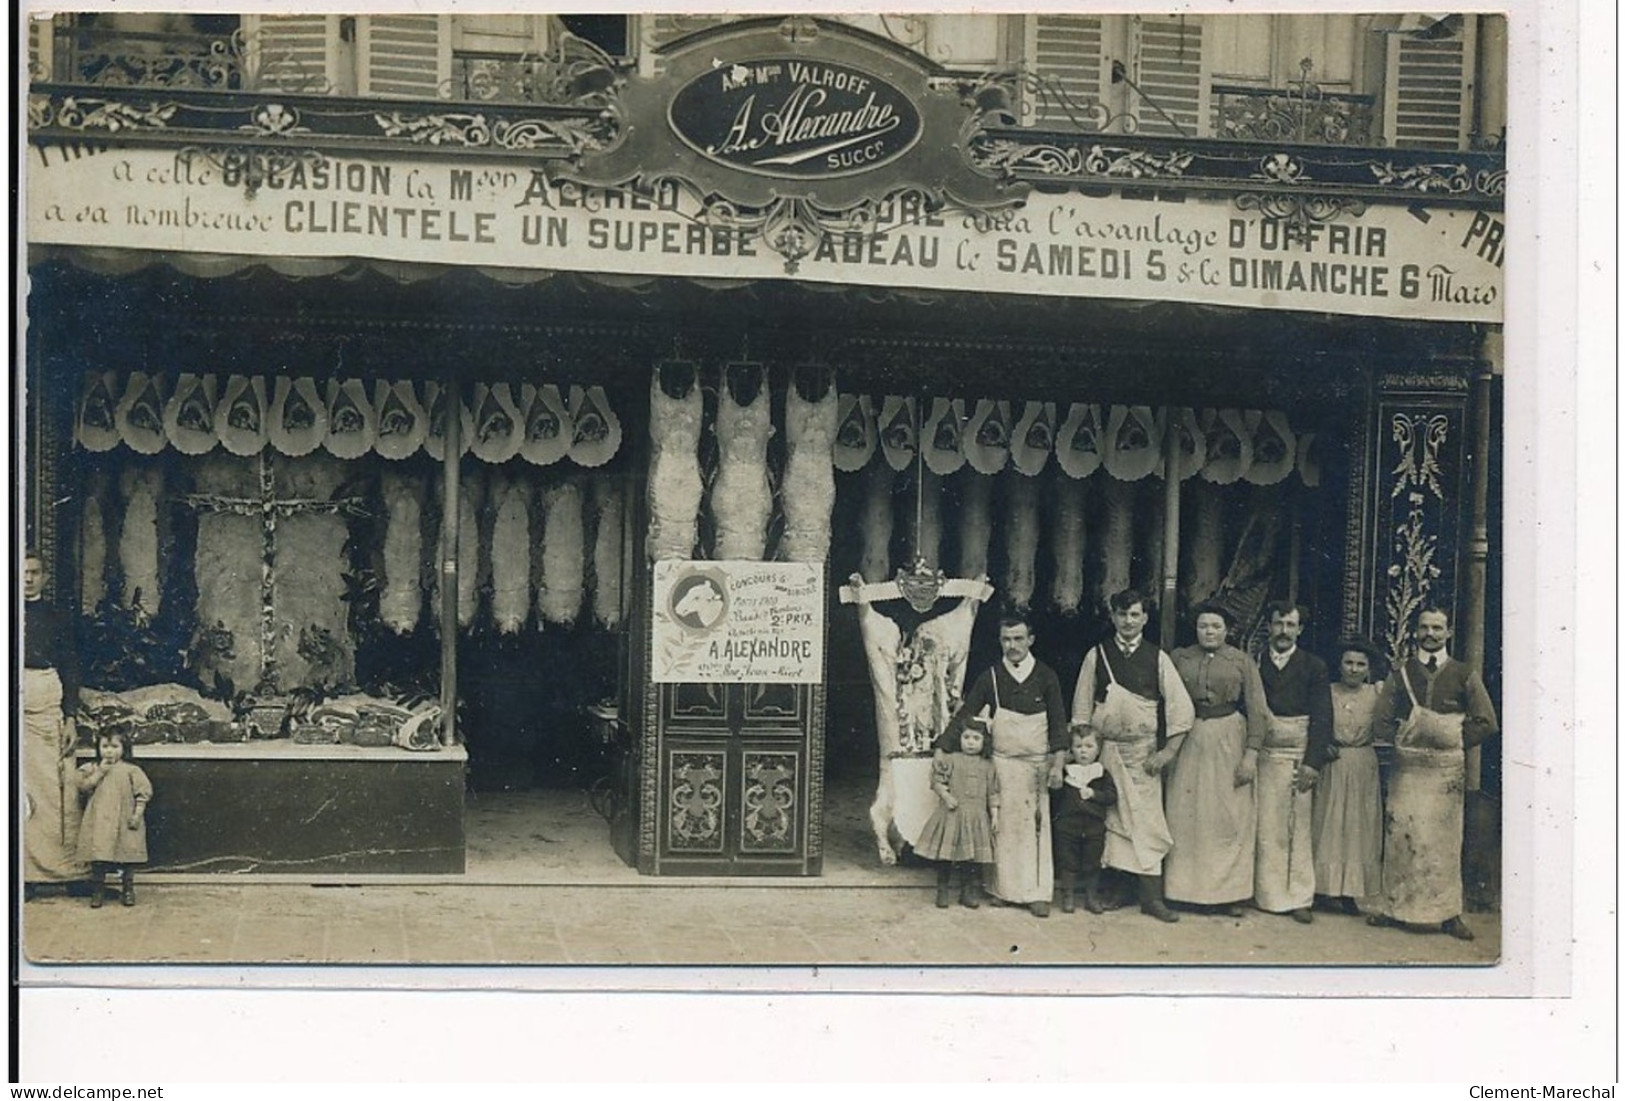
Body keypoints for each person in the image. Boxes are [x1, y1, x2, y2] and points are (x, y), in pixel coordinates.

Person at [1368, 606, 1498, 941]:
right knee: (1402, 835)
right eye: (1424, 627)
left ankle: (1448, 914)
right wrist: (1401, 740)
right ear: (1415, 632)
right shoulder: (1402, 673)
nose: (1430, 634)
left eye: (1437, 628)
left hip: (1446, 773)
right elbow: (1381, 720)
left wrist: (1451, 740)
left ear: (1448, 633)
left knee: (1444, 842)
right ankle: (1394, 908)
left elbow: (1485, 720)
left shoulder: (1464, 673)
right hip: (1408, 770)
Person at [1070, 589, 1195, 923]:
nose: (1128, 621)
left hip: (1143, 755)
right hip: (1105, 753)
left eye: (1135, 615)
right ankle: (1109, 890)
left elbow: (1181, 709)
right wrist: (1085, 757)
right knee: (1107, 823)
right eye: (1122, 615)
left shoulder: (1158, 658)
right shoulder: (1097, 656)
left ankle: (1151, 898)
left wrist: (1168, 752)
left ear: (1145, 618)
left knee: (1147, 822)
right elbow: (1081, 710)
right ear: (1113, 617)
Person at [937, 611, 1068, 917]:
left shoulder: (1046, 676)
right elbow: (967, 715)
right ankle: (1002, 890)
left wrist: (1057, 764)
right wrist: (943, 746)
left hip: (1036, 767)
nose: (1012, 645)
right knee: (1002, 829)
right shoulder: (991, 676)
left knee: (1036, 831)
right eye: (1006, 639)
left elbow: (1059, 725)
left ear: (1030, 640)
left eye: (1018, 639)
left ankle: (1036, 894)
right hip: (1003, 766)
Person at [1165, 601, 1270, 917]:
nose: (1209, 632)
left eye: (1215, 626)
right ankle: (1183, 891)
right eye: (1203, 626)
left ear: (1227, 630)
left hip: (1228, 738)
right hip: (1189, 736)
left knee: (1228, 815)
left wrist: (1251, 754)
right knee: (1185, 813)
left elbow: (1257, 709)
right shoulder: (1180, 658)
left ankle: (1229, 894)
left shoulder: (1241, 662)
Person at [1254, 601, 1334, 924]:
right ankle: (1264, 894)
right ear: (1269, 627)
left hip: (1298, 754)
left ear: (1299, 629)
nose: (1284, 631)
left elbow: (1323, 717)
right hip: (1263, 754)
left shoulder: (1314, 666)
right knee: (1264, 825)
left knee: (1297, 828)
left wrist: (1313, 763)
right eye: (1278, 624)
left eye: (1290, 625)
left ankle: (1299, 898)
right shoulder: (1255, 663)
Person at [22, 550, 89, 897]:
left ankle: (63, 870)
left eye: (34, 572)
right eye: (22, 572)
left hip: (46, 702)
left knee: (55, 787)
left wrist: (71, 718)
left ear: (45, 577)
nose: (28, 578)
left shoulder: (57, 617)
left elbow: (70, 666)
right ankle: (24, 874)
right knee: (19, 791)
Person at [1311, 638, 1386, 915]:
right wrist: (1322, 745)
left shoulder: (1377, 692)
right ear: (1339, 666)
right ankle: (1323, 889)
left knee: (1358, 826)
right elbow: (1314, 723)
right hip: (1332, 762)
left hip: (1362, 762)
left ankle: (1350, 892)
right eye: (1349, 663)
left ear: (1368, 669)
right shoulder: (1326, 691)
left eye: (1360, 664)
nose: (1354, 669)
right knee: (1327, 821)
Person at [915, 719, 1000, 909]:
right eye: (966, 737)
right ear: (959, 739)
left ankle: (966, 892)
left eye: (976, 738)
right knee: (946, 855)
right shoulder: (951, 759)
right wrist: (946, 796)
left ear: (984, 741)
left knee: (971, 858)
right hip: (953, 814)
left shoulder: (988, 765)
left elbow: (993, 792)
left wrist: (995, 814)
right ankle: (942, 890)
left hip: (976, 816)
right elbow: (937, 780)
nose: (970, 742)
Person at [74, 729, 153, 908]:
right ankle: (98, 890)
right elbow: (83, 787)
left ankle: (127, 889)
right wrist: (100, 771)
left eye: (115, 746)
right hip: (99, 820)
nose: (109, 751)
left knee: (127, 855)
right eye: (105, 747)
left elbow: (143, 793)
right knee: (98, 856)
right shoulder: (92, 768)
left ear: (124, 748)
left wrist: (137, 815)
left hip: (124, 819)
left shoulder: (131, 770)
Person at [1050, 726, 1117, 914]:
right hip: (1068, 826)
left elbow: (1111, 796)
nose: (1083, 751)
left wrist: (1095, 794)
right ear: (1071, 750)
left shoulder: (1101, 773)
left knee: (1092, 863)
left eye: (1089, 746)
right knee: (1067, 861)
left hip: (1094, 827)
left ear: (1098, 749)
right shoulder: (1066, 772)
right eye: (1078, 746)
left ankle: (1091, 897)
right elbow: (1055, 797)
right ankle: (1068, 896)